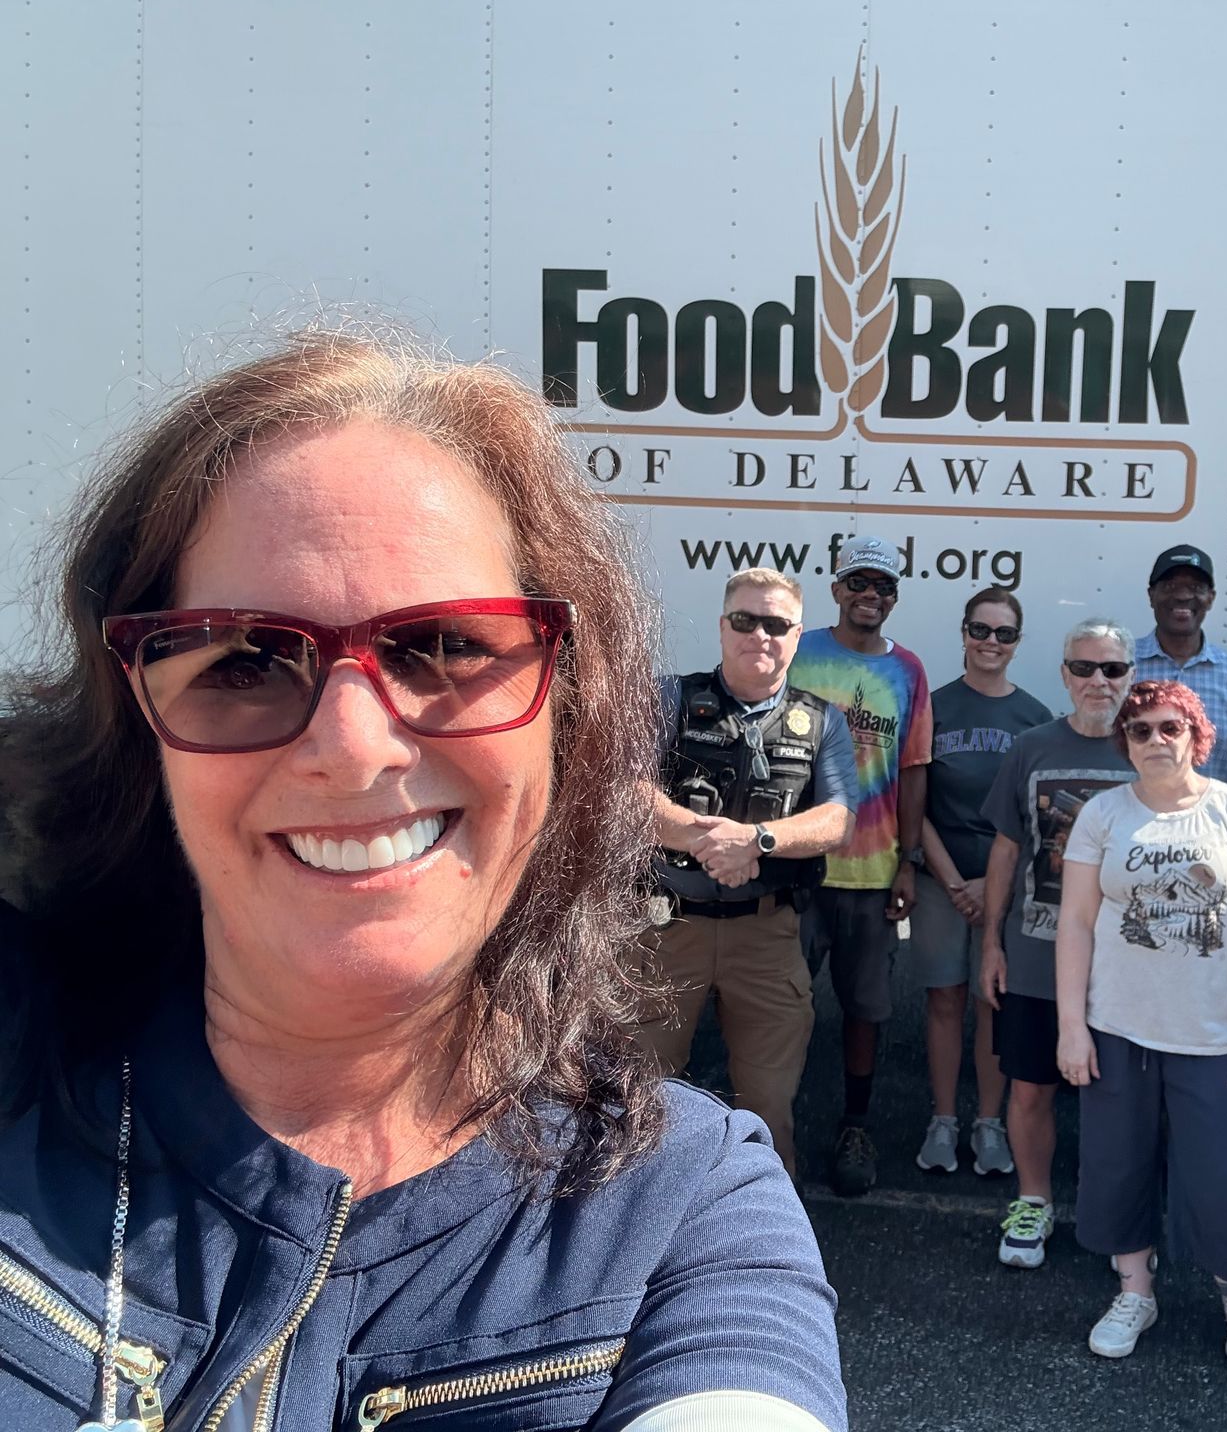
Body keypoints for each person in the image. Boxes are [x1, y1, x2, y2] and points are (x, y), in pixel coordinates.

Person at [0, 334, 844, 1431]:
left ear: (567, 717)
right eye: (243, 661)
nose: (354, 748)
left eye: (445, 646)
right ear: (137, 727)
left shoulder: (684, 1219)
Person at [1056, 680, 1227, 1407]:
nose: (1155, 741)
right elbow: (1075, 924)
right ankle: (1136, 1291)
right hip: (1117, 1026)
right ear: (1123, 741)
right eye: (1139, 730)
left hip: (1213, 1035)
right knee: (1117, 1164)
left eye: (1170, 728)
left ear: (1197, 735)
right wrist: (1072, 1024)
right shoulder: (1103, 813)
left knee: (1221, 1179)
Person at [633, 568, 857, 1176]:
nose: (760, 634)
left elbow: (838, 820)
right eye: (745, 620)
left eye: (776, 624)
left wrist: (756, 839)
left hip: (768, 939)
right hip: (666, 932)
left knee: (767, 1108)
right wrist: (708, 839)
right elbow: (625, 794)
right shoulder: (668, 699)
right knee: (637, 1102)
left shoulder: (823, 722)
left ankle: (764, 1249)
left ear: (797, 635)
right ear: (722, 626)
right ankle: (628, 1238)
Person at [977, 620, 1137, 1269]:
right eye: (1084, 668)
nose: (1098, 681)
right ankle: (1034, 1201)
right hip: (1037, 954)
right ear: (1065, 674)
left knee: (1122, 1101)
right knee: (1030, 1088)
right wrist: (990, 943)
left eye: (1113, 669)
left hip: (1128, 963)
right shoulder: (1031, 747)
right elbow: (1008, 850)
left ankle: (1116, 1216)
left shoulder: (1151, 746)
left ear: (1130, 674)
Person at [788, 534, 934, 1196]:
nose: (870, 596)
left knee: (866, 1010)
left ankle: (855, 1124)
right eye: (859, 583)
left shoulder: (908, 671)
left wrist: (909, 863)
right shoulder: (798, 652)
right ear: (836, 587)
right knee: (778, 1007)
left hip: (872, 871)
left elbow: (913, 771)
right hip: (795, 867)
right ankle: (768, 1129)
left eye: (884, 587)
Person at [911, 588, 1050, 1177]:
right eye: (981, 629)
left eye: (1004, 633)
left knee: (993, 1004)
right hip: (941, 881)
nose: (991, 642)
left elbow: (1037, 820)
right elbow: (911, 804)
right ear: (964, 633)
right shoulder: (932, 707)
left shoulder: (1036, 719)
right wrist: (952, 879)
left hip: (1004, 885)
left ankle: (989, 1123)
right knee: (944, 999)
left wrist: (987, 883)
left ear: (1018, 644)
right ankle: (943, 1119)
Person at [1133, 544, 1227, 782]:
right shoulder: (1120, 666)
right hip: (1131, 817)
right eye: (1170, 586)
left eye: (1195, 587)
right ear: (1151, 595)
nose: (1183, 596)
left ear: (1211, 599)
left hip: (1212, 819)